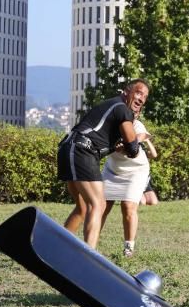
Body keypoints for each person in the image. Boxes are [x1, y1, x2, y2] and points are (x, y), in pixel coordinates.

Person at [61, 79, 150, 249]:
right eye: (138, 93)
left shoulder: (112, 107)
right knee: (98, 204)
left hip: (68, 147)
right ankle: (89, 256)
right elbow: (132, 148)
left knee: (82, 208)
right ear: (126, 92)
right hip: (82, 150)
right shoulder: (123, 109)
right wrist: (131, 145)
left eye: (145, 96)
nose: (141, 99)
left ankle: (58, 248)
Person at [99, 115, 157, 257]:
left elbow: (139, 141)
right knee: (100, 207)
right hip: (112, 170)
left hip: (136, 170)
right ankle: (90, 245)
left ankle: (128, 249)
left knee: (128, 206)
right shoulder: (107, 126)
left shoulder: (136, 125)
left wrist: (125, 147)